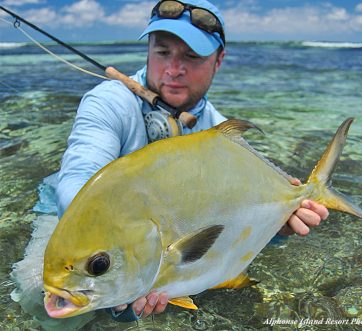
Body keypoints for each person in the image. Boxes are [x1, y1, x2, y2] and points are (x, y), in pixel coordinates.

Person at [56, 0, 329, 323]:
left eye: (192, 56)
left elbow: (235, 218)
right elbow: (78, 176)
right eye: (162, 52)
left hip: (154, 250)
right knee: (39, 300)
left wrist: (280, 227)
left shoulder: (220, 132)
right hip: (83, 238)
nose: (173, 69)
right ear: (148, 50)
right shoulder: (110, 102)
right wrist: (120, 263)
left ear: (219, 60)